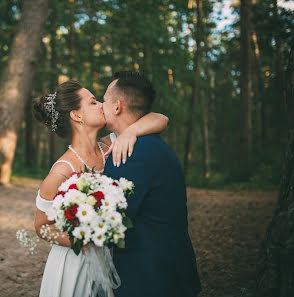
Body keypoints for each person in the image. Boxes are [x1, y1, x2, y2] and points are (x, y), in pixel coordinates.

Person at [32, 79, 169, 297]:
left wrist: (132, 131)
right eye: (93, 102)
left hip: (113, 258)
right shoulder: (61, 171)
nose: (101, 106)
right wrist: (82, 240)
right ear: (77, 116)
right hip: (75, 264)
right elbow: (41, 226)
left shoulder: (112, 144)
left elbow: (161, 119)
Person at [102, 71, 202, 297]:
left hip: (148, 279)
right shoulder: (149, 143)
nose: (100, 104)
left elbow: (112, 219)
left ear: (117, 106)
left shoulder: (127, 154)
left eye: (104, 99)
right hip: (168, 270)